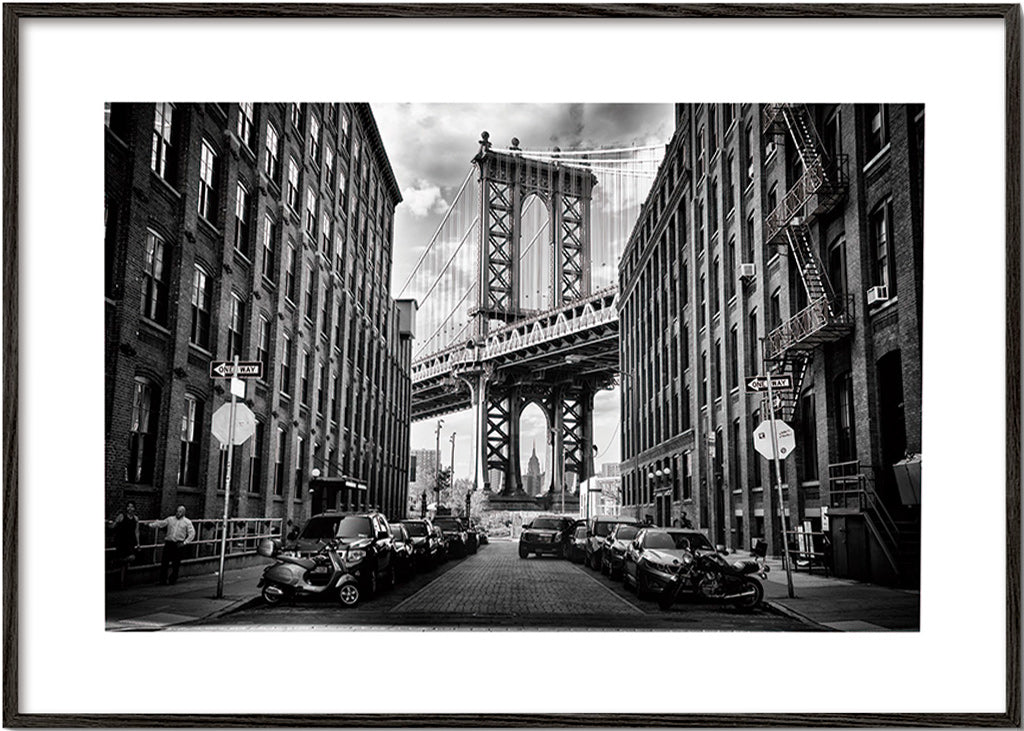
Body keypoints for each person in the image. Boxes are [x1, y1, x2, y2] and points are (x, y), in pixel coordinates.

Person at [150, 505, 196, 585]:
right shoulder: (170, 519)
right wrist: (151, 524)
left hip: (178, 543)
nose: (178, 513)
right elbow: (162, 523)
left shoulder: (187, 522)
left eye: (180, 512)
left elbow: (192, 533)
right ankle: (163, 580)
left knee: (176, 563)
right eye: (177, 511)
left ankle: (172, 579)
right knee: (165, 562)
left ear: (184, 513)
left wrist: (185, 542)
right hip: (169, 542)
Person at [109, 501, 140, 587]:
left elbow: (136, 531)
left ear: (134, 508)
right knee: (124, 564)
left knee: (131, 558)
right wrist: (111, 524)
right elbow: (114, 525)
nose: (130, 509)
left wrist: (138, 543)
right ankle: (122, 582)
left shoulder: (136, 519)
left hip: (130, 541)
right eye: (128, 507)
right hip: (121, 540)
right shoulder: (122, 516)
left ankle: (116, 562)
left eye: (132, 507)